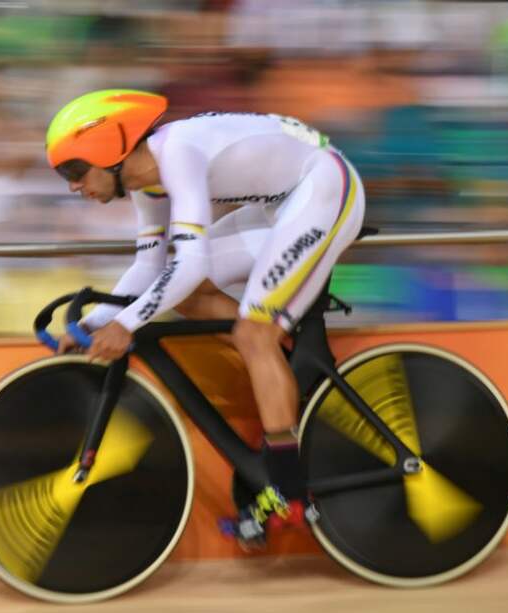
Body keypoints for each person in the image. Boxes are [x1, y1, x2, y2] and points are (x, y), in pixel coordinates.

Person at [46, 89, 365, 548]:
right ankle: (283, 362)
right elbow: (150, 268)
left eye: (74, 172)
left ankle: (289, 494)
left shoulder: (178, 154)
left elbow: (190, 264)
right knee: (193, 298)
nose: (73, 187)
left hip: (325, 187)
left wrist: (126, 324)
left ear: (110, 152)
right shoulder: (146, 184)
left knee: (251, 334)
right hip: (283, 203)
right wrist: (95, 324)